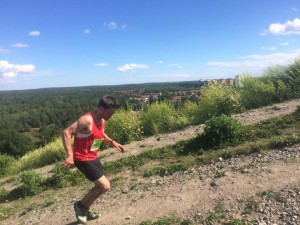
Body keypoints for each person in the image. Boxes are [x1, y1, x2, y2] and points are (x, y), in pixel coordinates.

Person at [62, 95, 125, 224]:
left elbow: (100, 135)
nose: (111, 116)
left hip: (93, 157)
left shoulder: (101, 120)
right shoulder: (87, 120)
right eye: (110, 112)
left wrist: (113, 142)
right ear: (101, 108)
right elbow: (66, 132)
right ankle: (80, 206)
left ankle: (86, 210)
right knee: (105, 186)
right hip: (82, 159)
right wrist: (70, 155)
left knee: (100, 187)